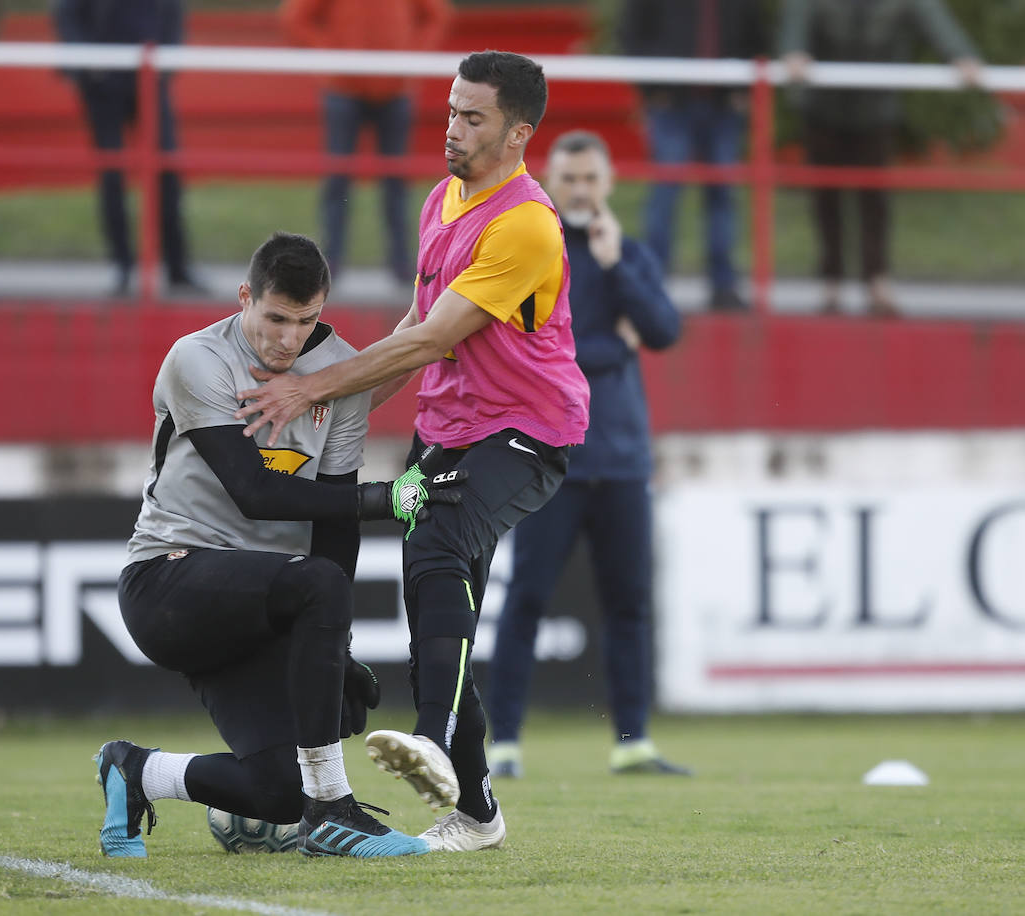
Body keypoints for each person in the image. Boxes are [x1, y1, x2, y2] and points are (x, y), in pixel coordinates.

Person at [233, 51, 591, 853]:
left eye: (473, 118)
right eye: (451, 112)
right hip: (453, 427)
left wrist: (308, 391)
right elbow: (413, 334)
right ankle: (478, 814)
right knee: (435, 618)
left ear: (518, 133)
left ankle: (430, 739)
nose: (452, 130)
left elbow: (434, 336)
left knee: (437, 547)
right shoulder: (444, 199)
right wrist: (339, 411)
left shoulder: (526, 223)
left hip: (526, 430)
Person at [100, 232, 468, 859]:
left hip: (263, 599)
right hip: (167, 582)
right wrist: (387, 500)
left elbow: (334, 525)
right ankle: (333, 809)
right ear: (246, 298)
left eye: (306, 321)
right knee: (317, 583)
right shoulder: (198, 359)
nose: (288, 338)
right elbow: (254, 492)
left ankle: (135, 770)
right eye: (274, 318)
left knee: (276, 791)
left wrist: (333, 645)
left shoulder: (339, 371)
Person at [485, 130, 686, 781]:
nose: (579, 190)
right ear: (548, 180)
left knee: (629, 604)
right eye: (568, 178)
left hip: (624, 459)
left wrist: (615, 266)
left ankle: (632, 743)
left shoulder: (624, 254)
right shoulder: (534, 251)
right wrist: (614, 348)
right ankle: (503, 745)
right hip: (550, 459)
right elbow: (540, 353)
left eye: (589, 179)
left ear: (609, 183)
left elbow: (663, 330)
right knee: (527, 601)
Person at [780, 0, 982, 317]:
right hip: (822, 107)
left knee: (875, 197)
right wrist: (793, 53)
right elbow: (796, 22)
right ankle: (831, 282)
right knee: (825, 197)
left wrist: (962, 56)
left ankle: (877, 280)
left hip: (876, 111)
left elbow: (934, 20)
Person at [279, 0, 451, 287]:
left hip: (394, 90)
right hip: (343, 89)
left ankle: (402, 266)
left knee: (396, 181)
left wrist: (411, 58)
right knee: (338, 179)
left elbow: (436, 16)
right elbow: (296, 18)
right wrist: (333, 57)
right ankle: (329, 264)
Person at [618, 0, 769, 312]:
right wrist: (652, 88)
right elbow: (632, 32)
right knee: (666, 194)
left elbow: (756, 31)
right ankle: (653, 285)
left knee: (723, 195)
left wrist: (743, 88)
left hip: (724, 105)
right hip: (671, 102)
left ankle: (724, 286)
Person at [53, 0, 205, 298]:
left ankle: (177, 267)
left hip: (151, 75)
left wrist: (168, 58)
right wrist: (87, 61)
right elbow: (67, 12)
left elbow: (172, 12)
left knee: (167, 170)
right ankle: (122, 267)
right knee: (112, 174)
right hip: (102, 81)